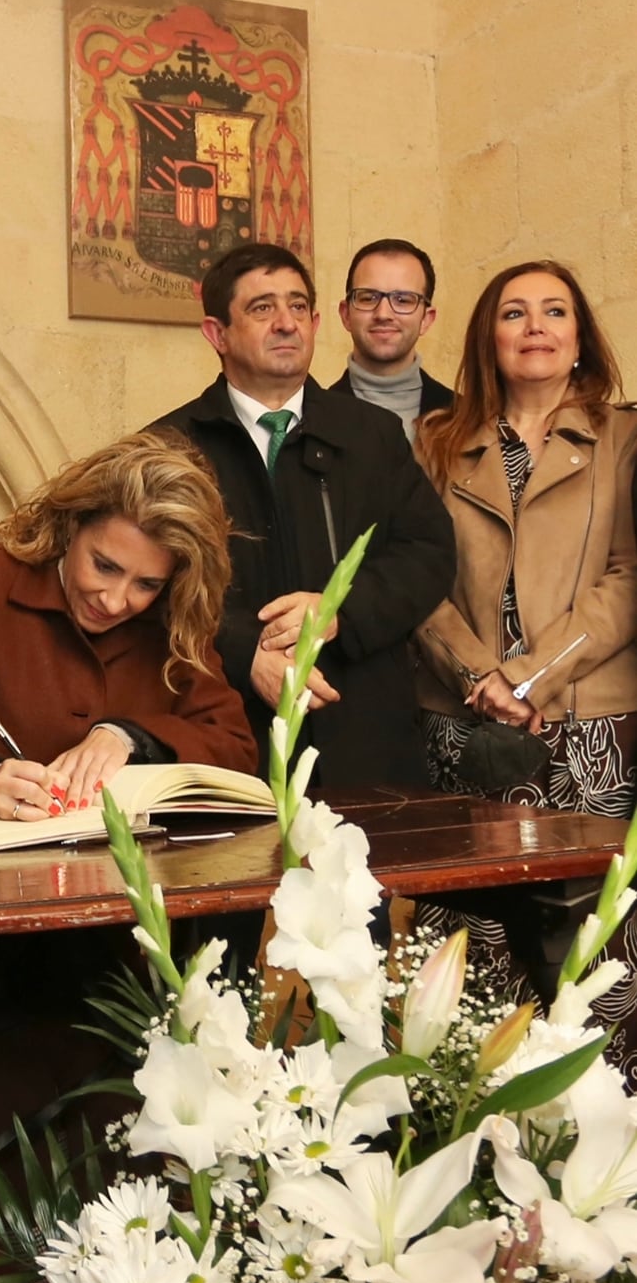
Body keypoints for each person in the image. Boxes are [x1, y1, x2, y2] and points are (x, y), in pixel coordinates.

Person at [0, 430, 257, 1175]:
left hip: (118, 941)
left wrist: (131, 736)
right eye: (103, 565)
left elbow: (233, 744)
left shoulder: (169, 618)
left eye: (143, 584)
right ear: (70, 525)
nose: (116, 598)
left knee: (140, 1126)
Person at [414, 260, 637, 1074]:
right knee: (474, 946)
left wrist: (531, 676)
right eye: (514, 312)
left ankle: (608, 1147)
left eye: (555, 311)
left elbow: (628, 577)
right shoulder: (433, 441)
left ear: (580, 337)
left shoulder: (624, 437)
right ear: (488, 338)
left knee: (598, 949)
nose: (535, 325)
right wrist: (481, 674)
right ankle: (478, 1136)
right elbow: (415, 580)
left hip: (589, 725)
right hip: (462, 723)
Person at [154, 240, 456, 789]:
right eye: (262, 308)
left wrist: (341, 609)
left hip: (364, 737)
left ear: (318, 322)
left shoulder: (373, 435)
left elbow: (428, 553)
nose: (286, 323)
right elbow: (156, 588)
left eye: (298, 307)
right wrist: (246, 655)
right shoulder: (169, 448)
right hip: (233, 737)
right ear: (216, 333)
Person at [329, 238, 453, 437]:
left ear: (426, 319)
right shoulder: (309, 420)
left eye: (403, 300)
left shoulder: (467, 420)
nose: (383, 314)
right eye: (368, 298)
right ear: (346, 315)